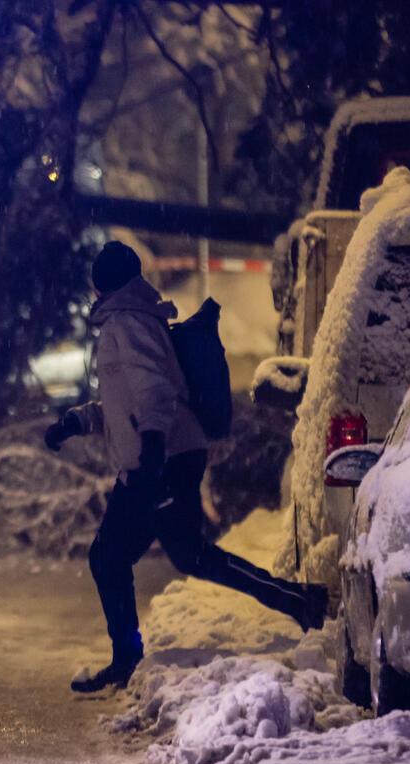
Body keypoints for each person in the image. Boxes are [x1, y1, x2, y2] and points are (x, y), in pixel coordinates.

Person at [48, 241, 326, 693]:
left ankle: (129, 657)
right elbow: (128, 402)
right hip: (158, 458)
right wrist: (78, 421)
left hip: (160, 460)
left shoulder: (127, 324)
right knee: (153, 556)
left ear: (104, 285)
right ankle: (299, 601)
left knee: (120, 556)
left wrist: (154, 445)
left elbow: (155, 393)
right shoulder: (134, 319)